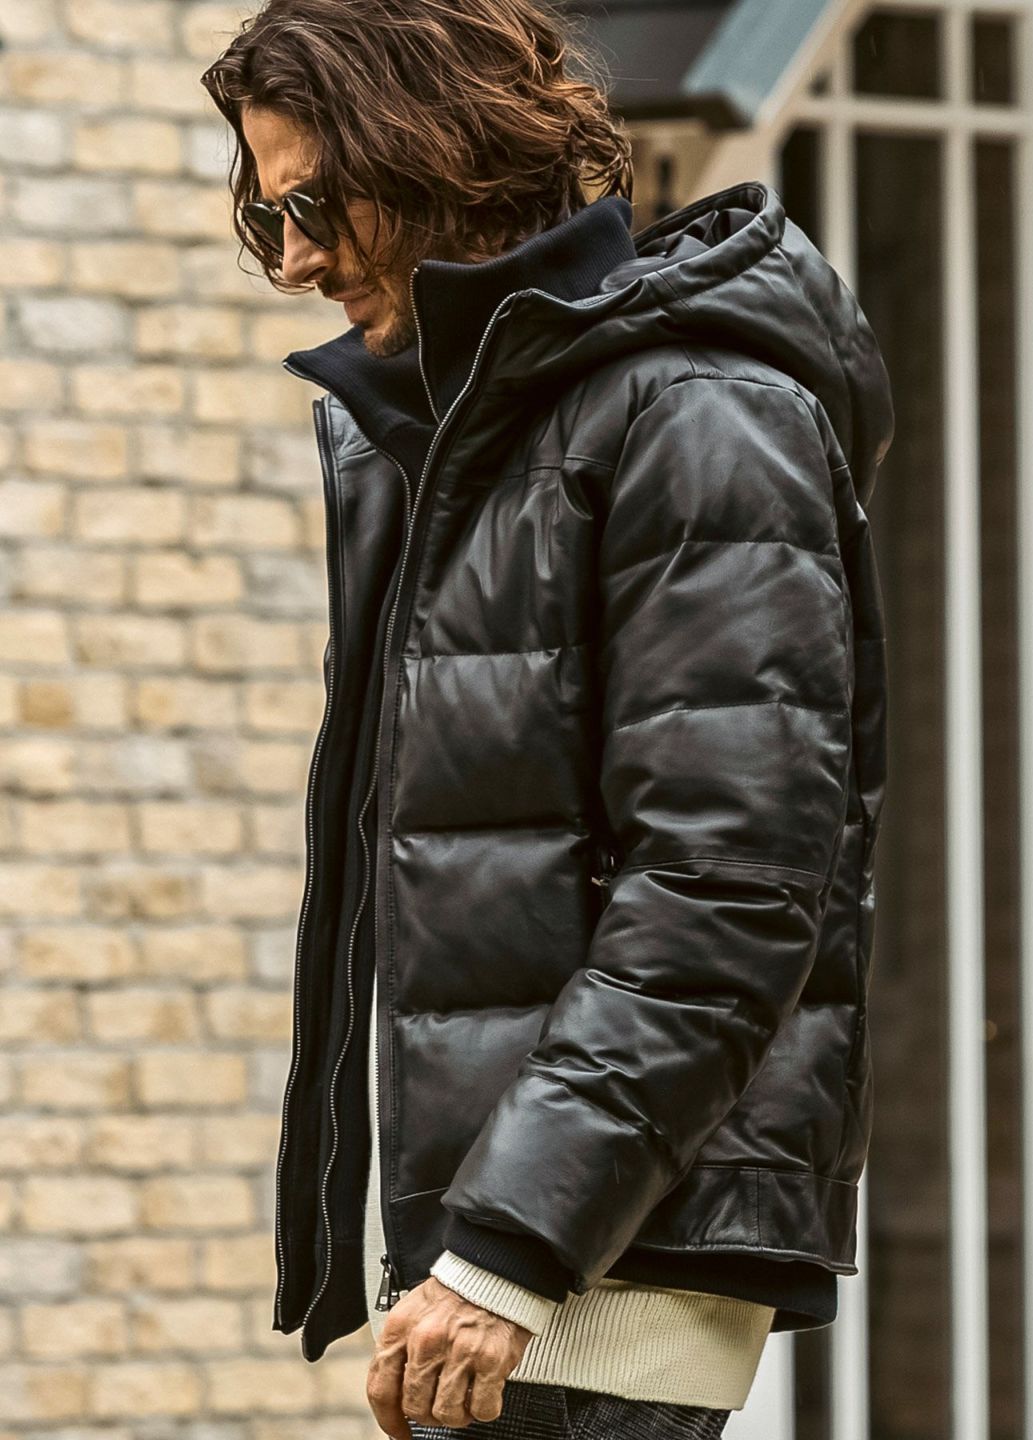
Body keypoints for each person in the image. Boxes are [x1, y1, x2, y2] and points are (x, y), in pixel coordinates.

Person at [200, 1, 894, 1435]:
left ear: (439, 155)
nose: (299, 258)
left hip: (592, 1268)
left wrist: (514, 1246)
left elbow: (725, 886)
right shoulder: (462, 433)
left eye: (315, 204)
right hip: (512, 1259)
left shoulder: (699, 415)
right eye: (272, 219)